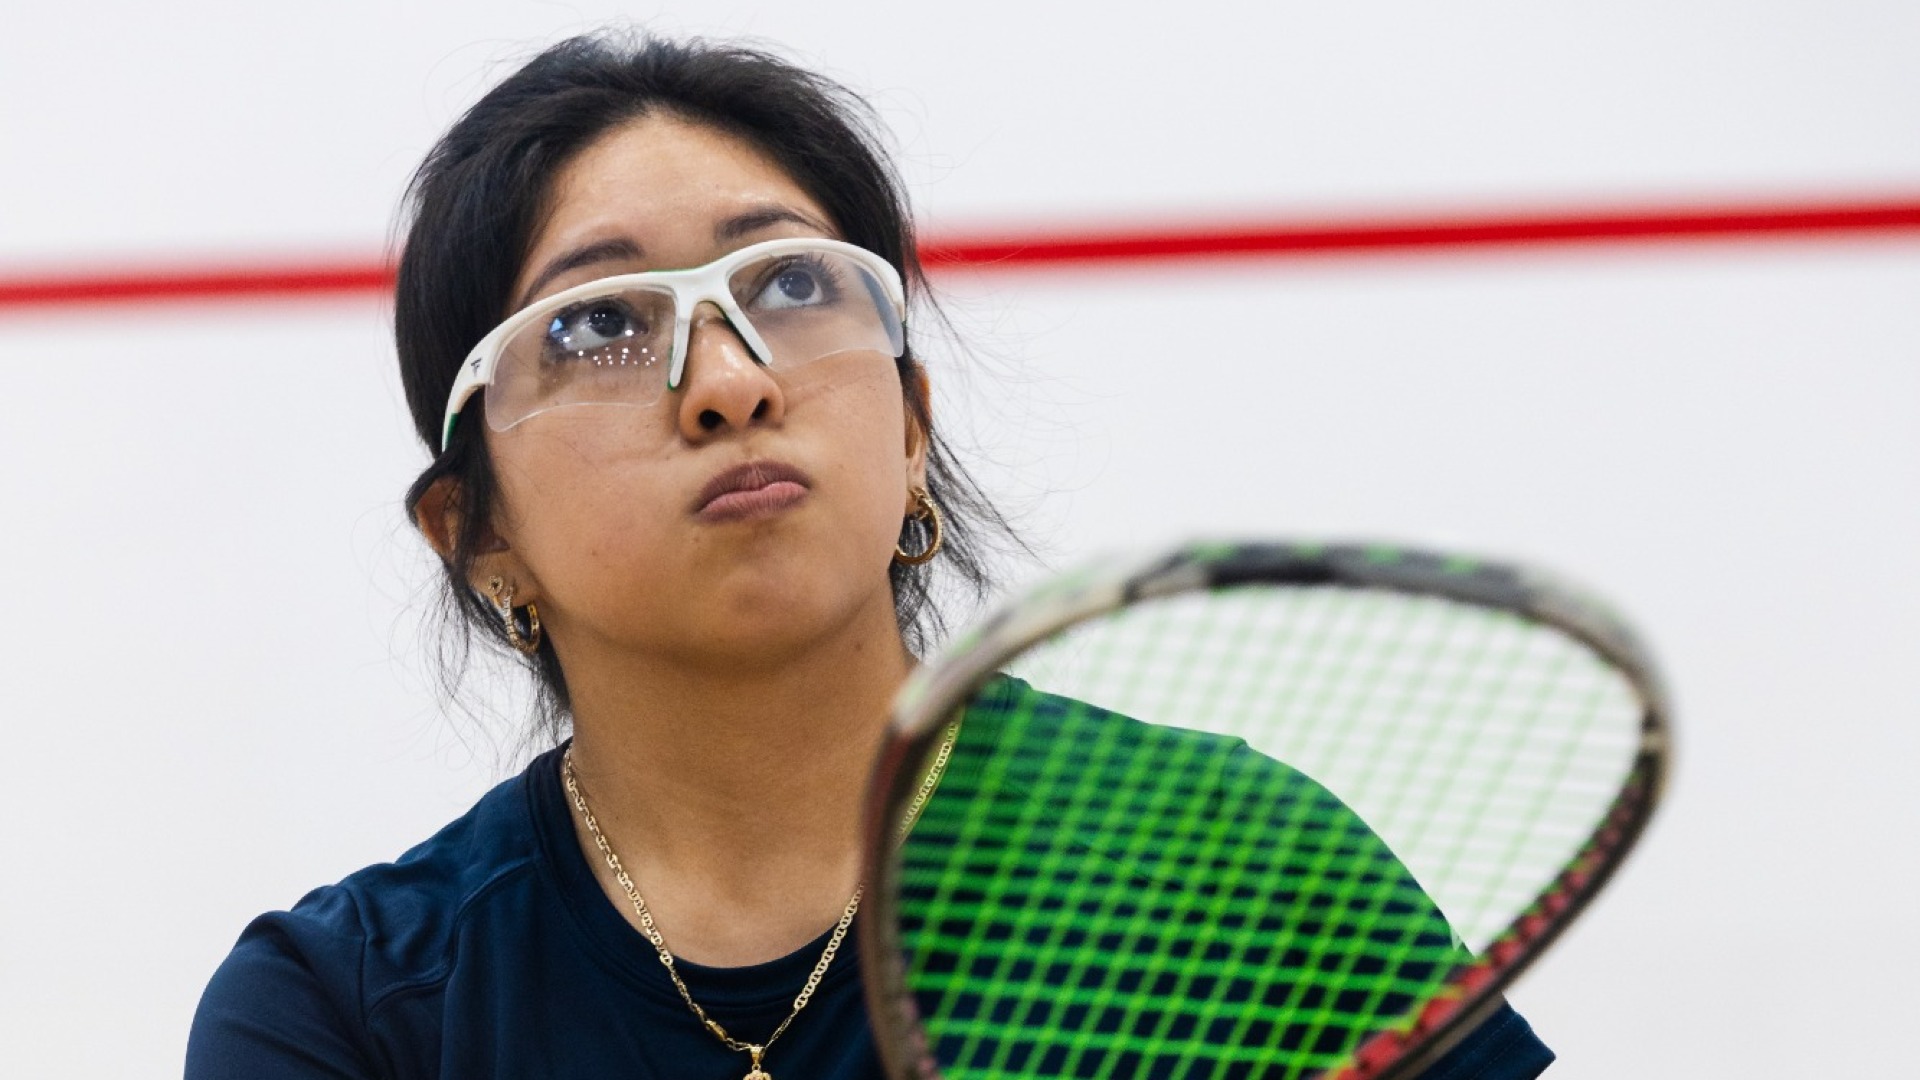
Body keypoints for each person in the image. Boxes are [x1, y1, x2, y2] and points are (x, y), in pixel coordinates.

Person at [186, 31, 1553, 1080]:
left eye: (790, 284)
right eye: (603, 325)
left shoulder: (1238, 871)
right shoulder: (343, 1014)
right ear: (478, 532)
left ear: (909, 433)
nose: (730, 383)